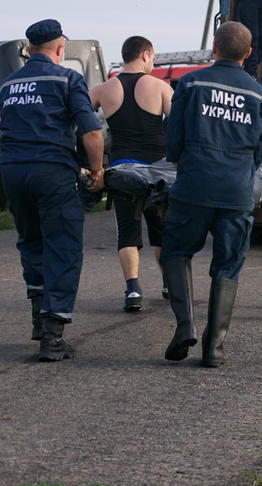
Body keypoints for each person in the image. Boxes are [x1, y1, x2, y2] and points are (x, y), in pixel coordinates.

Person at [160, 22, 262, 368]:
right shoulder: (258, 94)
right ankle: (215, 347)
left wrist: (180, 159)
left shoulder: (192, 83)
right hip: (236, 191)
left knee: (176, 250)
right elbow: (260, 149)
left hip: (194, 184)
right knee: (228, 262)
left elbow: (173, 137)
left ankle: (186, 325)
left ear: (214, 47)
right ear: (248, 53)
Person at [0, 20, 104, 361]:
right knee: (63, 246)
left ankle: (39, 319)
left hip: (13, 171)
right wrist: (98, 171)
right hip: (51, 171)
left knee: (31, 241)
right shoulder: (68, 78)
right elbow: (91, 133)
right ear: (60, 48)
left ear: (29, 50)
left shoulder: (8, 84)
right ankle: (53, 335)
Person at [89, 36, 173, 311]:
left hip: (122, 170)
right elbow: (178, 127)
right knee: (160, 229)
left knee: (127, 231)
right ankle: (167, 282)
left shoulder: (103, 89)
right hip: (156, 172)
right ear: (146, 55)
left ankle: (133, 289)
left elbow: (81, 121)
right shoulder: (161, 87)